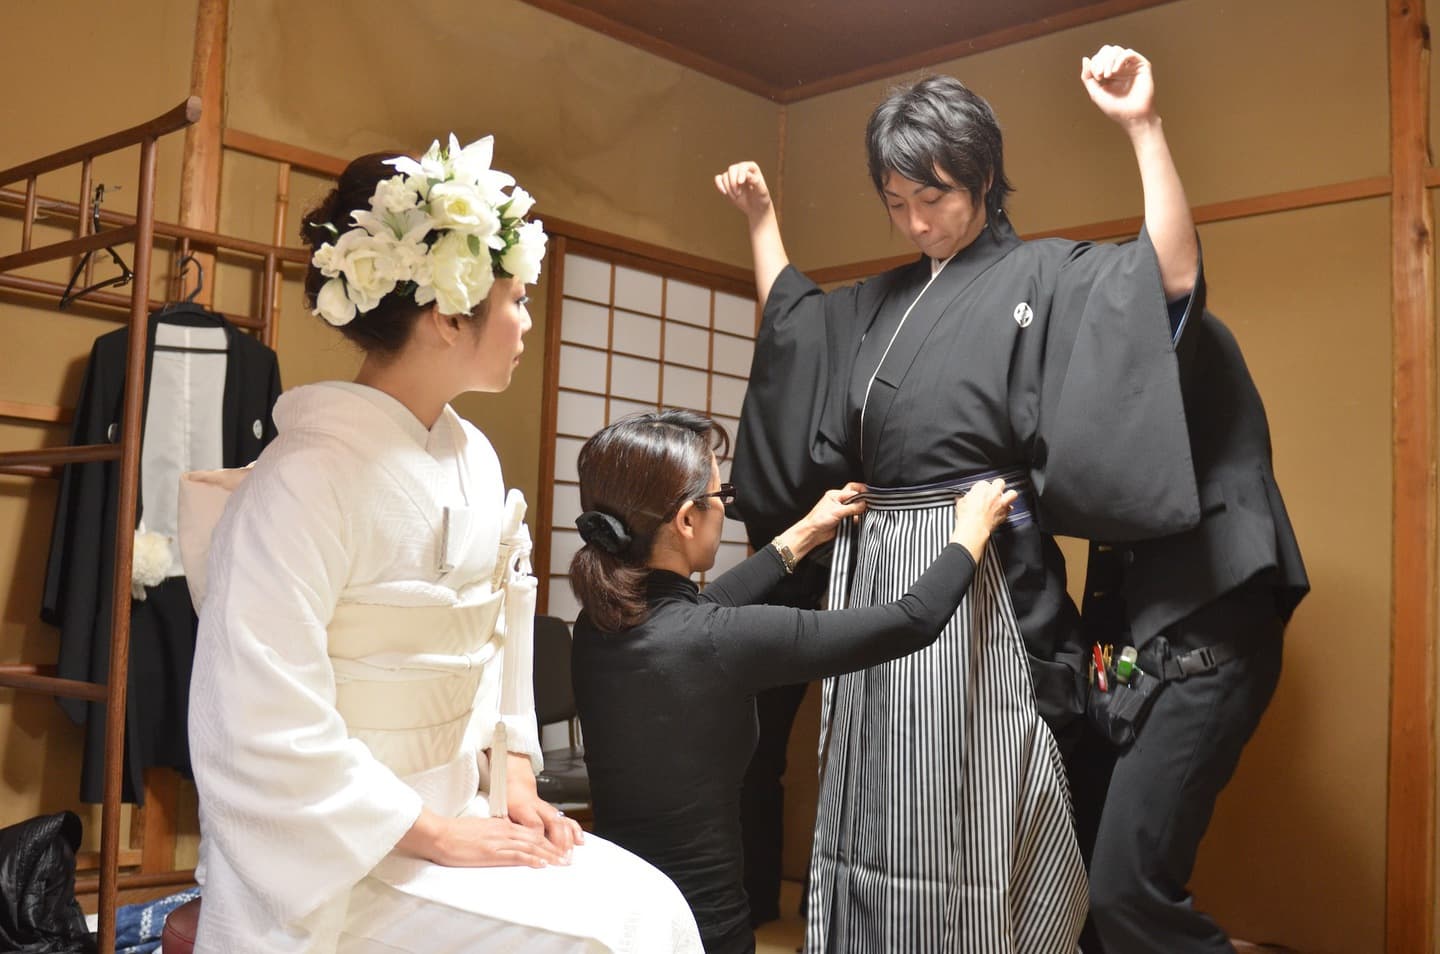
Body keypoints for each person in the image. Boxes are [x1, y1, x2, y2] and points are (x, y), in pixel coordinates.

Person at [717, 46, 1203, 951]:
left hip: (978, 557)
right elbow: (793, 325)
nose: (915, 223)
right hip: (872, 567)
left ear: (981, 175)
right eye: (896, 203)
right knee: (868, 787)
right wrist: (762, 218)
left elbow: (1165, 279)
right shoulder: (880, 298)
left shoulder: (1044, 274)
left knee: (976, 789)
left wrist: (1142, 126)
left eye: (933, 197)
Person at [183, 137, 702, 953]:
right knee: (611, 938)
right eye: (517, 298)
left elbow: (499, 638)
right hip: (338, 850)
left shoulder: (473, 458)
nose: (527, 320)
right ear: (449, 311)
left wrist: (517, 776)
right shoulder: (302, 480)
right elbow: (259, 721)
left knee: (657, 906)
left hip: (463, 808)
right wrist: (425, 832)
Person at [568, 409, 1017, 954]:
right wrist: (970, 532)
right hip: (701, 931)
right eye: (721, 496)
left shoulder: (598, 625)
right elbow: (911, 620)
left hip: (618, 914)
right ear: (688, 520)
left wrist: (804, 532)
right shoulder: (715, 641)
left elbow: (702, 611)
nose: (725, 510)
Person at [1075, 308, 1309, 953]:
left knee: (1127, 891)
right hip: (1153, 657)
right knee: (1103, 881)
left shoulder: (1184, 339)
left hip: (1206, 655)